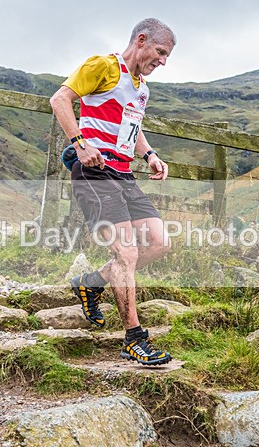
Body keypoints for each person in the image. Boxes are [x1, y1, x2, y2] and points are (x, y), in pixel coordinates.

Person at [49, 18, 176, 366]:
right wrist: (79, 142)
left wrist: (149, 154)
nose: (163, 61)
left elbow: (131, 130)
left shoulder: (142, 88)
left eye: (167, 57)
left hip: (123, 174)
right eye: (161, 52)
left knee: (160, 242)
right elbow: (60, 100)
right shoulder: (103, 66)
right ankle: (134, 339)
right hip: (94, 171)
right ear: (142, 39)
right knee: (127, 255)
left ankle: (90, 282)